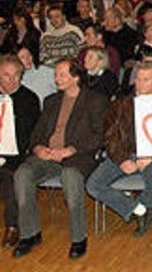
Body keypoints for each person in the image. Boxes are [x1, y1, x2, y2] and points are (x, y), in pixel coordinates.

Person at [13, 58, 109, 259]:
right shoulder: (51, 101)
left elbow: (99, 136)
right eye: (56, 74)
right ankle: (30, 234)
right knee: (22, 174)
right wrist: (38, 147)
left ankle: (78, 238)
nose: (56, 78)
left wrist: (70, 150)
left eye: (61, 74)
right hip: (48, 155)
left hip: (77, 156)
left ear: (76, 77)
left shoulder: (95, 101)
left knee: (70, 177)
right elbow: (37, 133)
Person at [85, 62, 152, 237]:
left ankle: (143, 207)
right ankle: (139, 210)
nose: (140, 83)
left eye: (146, 80)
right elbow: (110, 136)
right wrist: (122, 159)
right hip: (124, 154)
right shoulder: (121, 104)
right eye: (137, 79)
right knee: (93, 185)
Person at [0, 55, 40, 248]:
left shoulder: (29, 99)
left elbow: (31, 135)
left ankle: (13, 227)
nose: (12, 80)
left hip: (17, 154)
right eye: (6, 75)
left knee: (11, 176)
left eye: (16, 75)